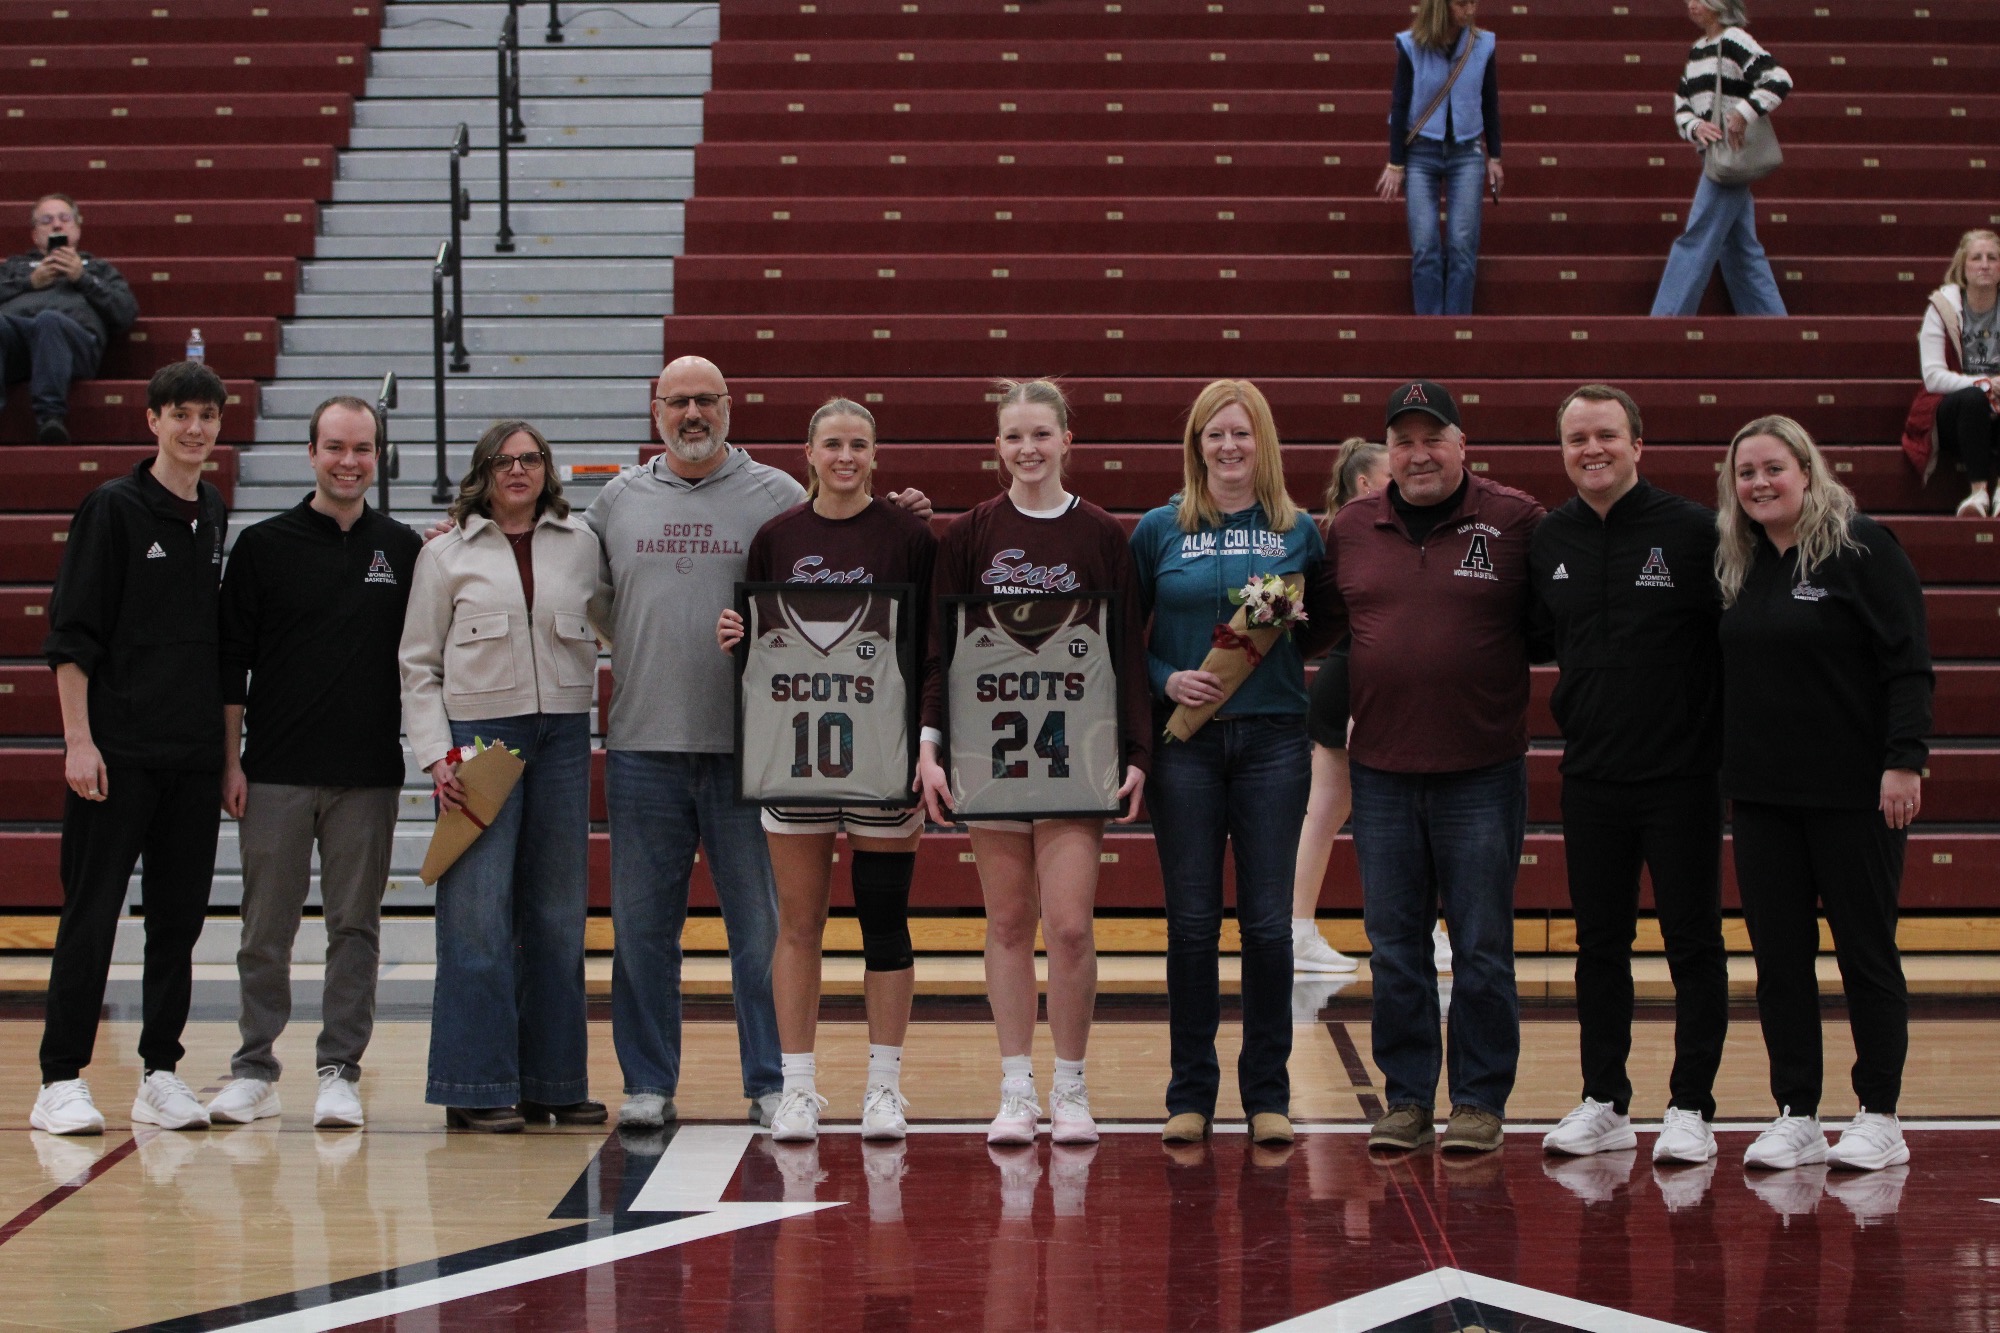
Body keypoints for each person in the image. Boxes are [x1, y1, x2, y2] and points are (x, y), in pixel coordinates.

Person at [583, 356, 931, 1131]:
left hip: (757, 748)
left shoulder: (777, 495)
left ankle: (775, 1080)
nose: (694, 413)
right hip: (644, 740)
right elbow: (579, 585)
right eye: (679, 401)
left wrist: (902, 507)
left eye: (707, 399)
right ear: (656, 410)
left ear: (731, 406)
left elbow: (854, 534)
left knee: (762, 929)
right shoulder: (616, 499)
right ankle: (647, 1082)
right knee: (642, 931)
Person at [914, 379, 1149, 1147]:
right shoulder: (971, 534)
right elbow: (940, 652)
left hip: (1076, 756)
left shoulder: (1103, 535)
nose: (1028, 448)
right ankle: (1016, 1085)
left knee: (1072, 926)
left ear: (1067, 440)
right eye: (1014, 436)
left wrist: (1136, 752)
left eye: (1041, 434)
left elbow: (1125, 652)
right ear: (998, 446)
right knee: (1009, 919)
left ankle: (1072, 1085)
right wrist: (932, 744)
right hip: (993, 755)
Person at [1318, 380, 1545, 1155]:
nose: (1418, 454)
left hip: (1481, 769)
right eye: (1403, 441)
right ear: (1388, 453)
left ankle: (1480, 1099)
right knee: (1395, 944)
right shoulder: (1350, 526)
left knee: (1482, 943)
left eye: (1432, 438)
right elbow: (1314, 624)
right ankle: (1408, 1099)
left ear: (1461, 444)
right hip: (1380, 770)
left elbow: (1549, 629)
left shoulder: (1514, 520)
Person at [713, 399, 938, 1143]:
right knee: (799, 924)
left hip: (882, 761)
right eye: (833, 444)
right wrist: (738, 635)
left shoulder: (909, 535)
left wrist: (925, 749)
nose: (846, 456)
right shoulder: (776, 538)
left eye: (860, 445)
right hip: (797, 759)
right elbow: (764, 651)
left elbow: (931, 648)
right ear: (807, 453)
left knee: (884, 920)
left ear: (877, 455)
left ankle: (884, 1087)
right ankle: (798, 1087)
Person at [1717, 415, 1932, 1172]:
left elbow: (1908, 661)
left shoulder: (1863, 548)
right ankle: (1797, 1112)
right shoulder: (1739, 563)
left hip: (1854, 795)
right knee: (1779, 958)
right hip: (1764, 797)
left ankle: (1880, 1113)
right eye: (1747, 474)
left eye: (1774, 468)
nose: (1761, 483)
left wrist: (1905, 760)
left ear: (1807, 470)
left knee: (1865, 952)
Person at [1527, 385, 1732, 1165]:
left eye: (1606, 434)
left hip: (1681, 775)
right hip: (1592, 777)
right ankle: (1605, 1099)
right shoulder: (1551, 539)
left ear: (1638, 443)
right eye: (1576, 438)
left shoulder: (1693, 532)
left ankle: (1691, 1105)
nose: (1592, 449)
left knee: (1692, 942)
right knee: (1599, 944)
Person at [205, 396, 421, 1131]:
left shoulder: (406, 548)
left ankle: (339, 1069)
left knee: (354, 927)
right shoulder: (263, 546)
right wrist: (229, 760)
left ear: (378, 457)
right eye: (335, 446)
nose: (349, 460)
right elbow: (230, 662)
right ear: (311, 452)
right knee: (265, 927)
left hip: (367, 773)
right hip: (275, 771)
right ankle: (254, 1066)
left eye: (362, 448)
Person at [30, 361, 229, 1136]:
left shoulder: (211, 509)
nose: (195, 429)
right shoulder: (111, 509)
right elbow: (70, 639)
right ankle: (59, 1079)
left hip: (189, 758)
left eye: (207, 416)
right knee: (92, 915)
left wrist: (223, 755)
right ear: (153, 420)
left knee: (176, 922)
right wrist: (78, 742)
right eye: (181, 413)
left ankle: (161, 1070)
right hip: (113, 755)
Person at [1132, 379, 1325, 1146]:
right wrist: (1164, 679)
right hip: (1188, 747)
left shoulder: (1300, 532)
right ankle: (1191, 1093)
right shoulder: (1158, 529)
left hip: (1276, 741)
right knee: (1191, 926)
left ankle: (1268, 1094)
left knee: (1270, 927)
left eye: (1242, 434)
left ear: (1263, 443)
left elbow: (1329, 620)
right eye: (1215, 435)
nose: (1229, 447)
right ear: (1196, 446)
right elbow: (1124, 639)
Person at [400, 420, 608, 1132]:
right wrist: (436, 756)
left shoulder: (583, 545)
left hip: (563, 739)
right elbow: (417, 666)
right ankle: (475, 1082)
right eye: (503, 461)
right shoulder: (445, 554)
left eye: (530, 459)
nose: (517, 471)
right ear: (482, 472)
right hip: (477, 742)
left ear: (547, 469)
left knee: (557, 915)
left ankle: (554, 1080)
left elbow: (617, 621)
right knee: (476, 915)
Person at [1293, 438, 1382, 977]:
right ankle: (1297, 932)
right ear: (1367, 485)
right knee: (1325, 813)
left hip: (1361, 680)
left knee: (1330, 813)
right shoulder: (1357, 536)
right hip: (1352, 680)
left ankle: (1299, 931)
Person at [1649, 0, 1791, 317]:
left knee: (1695, 239)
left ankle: (1664, 324)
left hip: (1730, 158)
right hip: (1715, 156)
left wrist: (1742, 114)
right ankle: (1773, 327)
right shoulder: (1699, 49)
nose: (1691, 5)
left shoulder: (1735, 41)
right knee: (1741, 249)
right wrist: (1695, 125)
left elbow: (1778, 79)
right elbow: (1682, 102)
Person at [1374, 0, 1504, 316]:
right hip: (1421, 151)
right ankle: (1430, 331)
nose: (1470, 9)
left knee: (1462, 246)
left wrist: (1495, 156)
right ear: (1442, 7)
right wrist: (1395, 163)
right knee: (1425, 246)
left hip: (1466, 152)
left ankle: (1458, 331)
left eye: (1473, 2)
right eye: (1462, 3)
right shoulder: (1411, 46)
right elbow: (1400, 104)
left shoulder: (1482, 44)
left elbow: (1490, 103)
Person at [0, 194, 138, 444]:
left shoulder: (97, 269)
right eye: (46, 220)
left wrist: (81, 277)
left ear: (76, 228)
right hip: (16, 344)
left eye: (64, 218)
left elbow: (125, 312)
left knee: (48, 321)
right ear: (34, 234)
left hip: (73, 343)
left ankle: (50, 419)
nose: (56, 225)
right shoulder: (15, 267)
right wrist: (28, 282)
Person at [1908, 228, 2000, 517]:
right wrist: (1984, 384)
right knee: (1973, 398)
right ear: (1963, 266)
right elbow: (1933, 376)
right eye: (1976, 258)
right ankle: (1978, 495)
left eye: (1992, 258)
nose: (1984, 264)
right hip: (1957, 413)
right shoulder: (1942, 308)